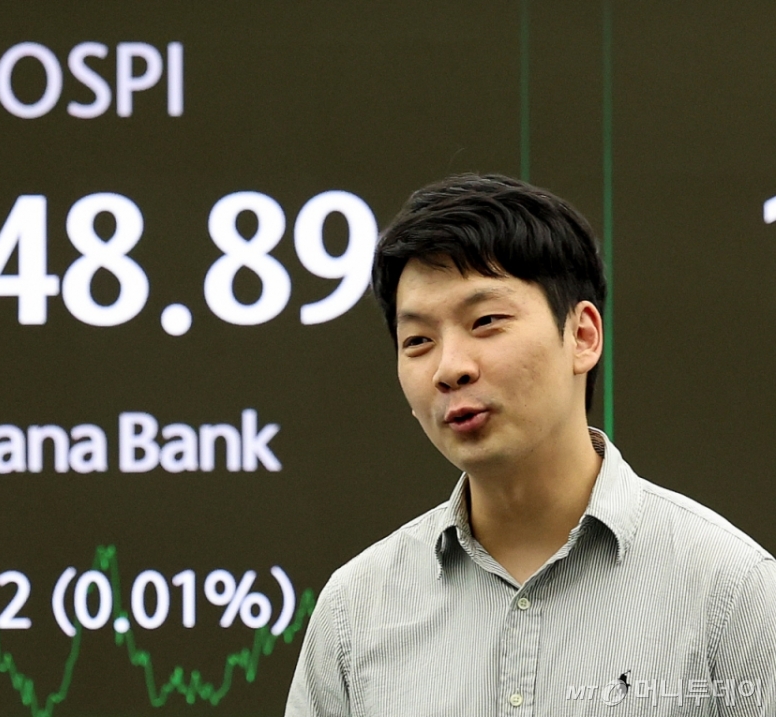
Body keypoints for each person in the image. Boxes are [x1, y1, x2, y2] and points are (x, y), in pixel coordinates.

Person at [284, 174, 776, 715]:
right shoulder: (355, 613)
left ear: (582, 335)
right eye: (418, 341)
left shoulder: (730, 592)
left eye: (485, 321)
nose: (449, 368)